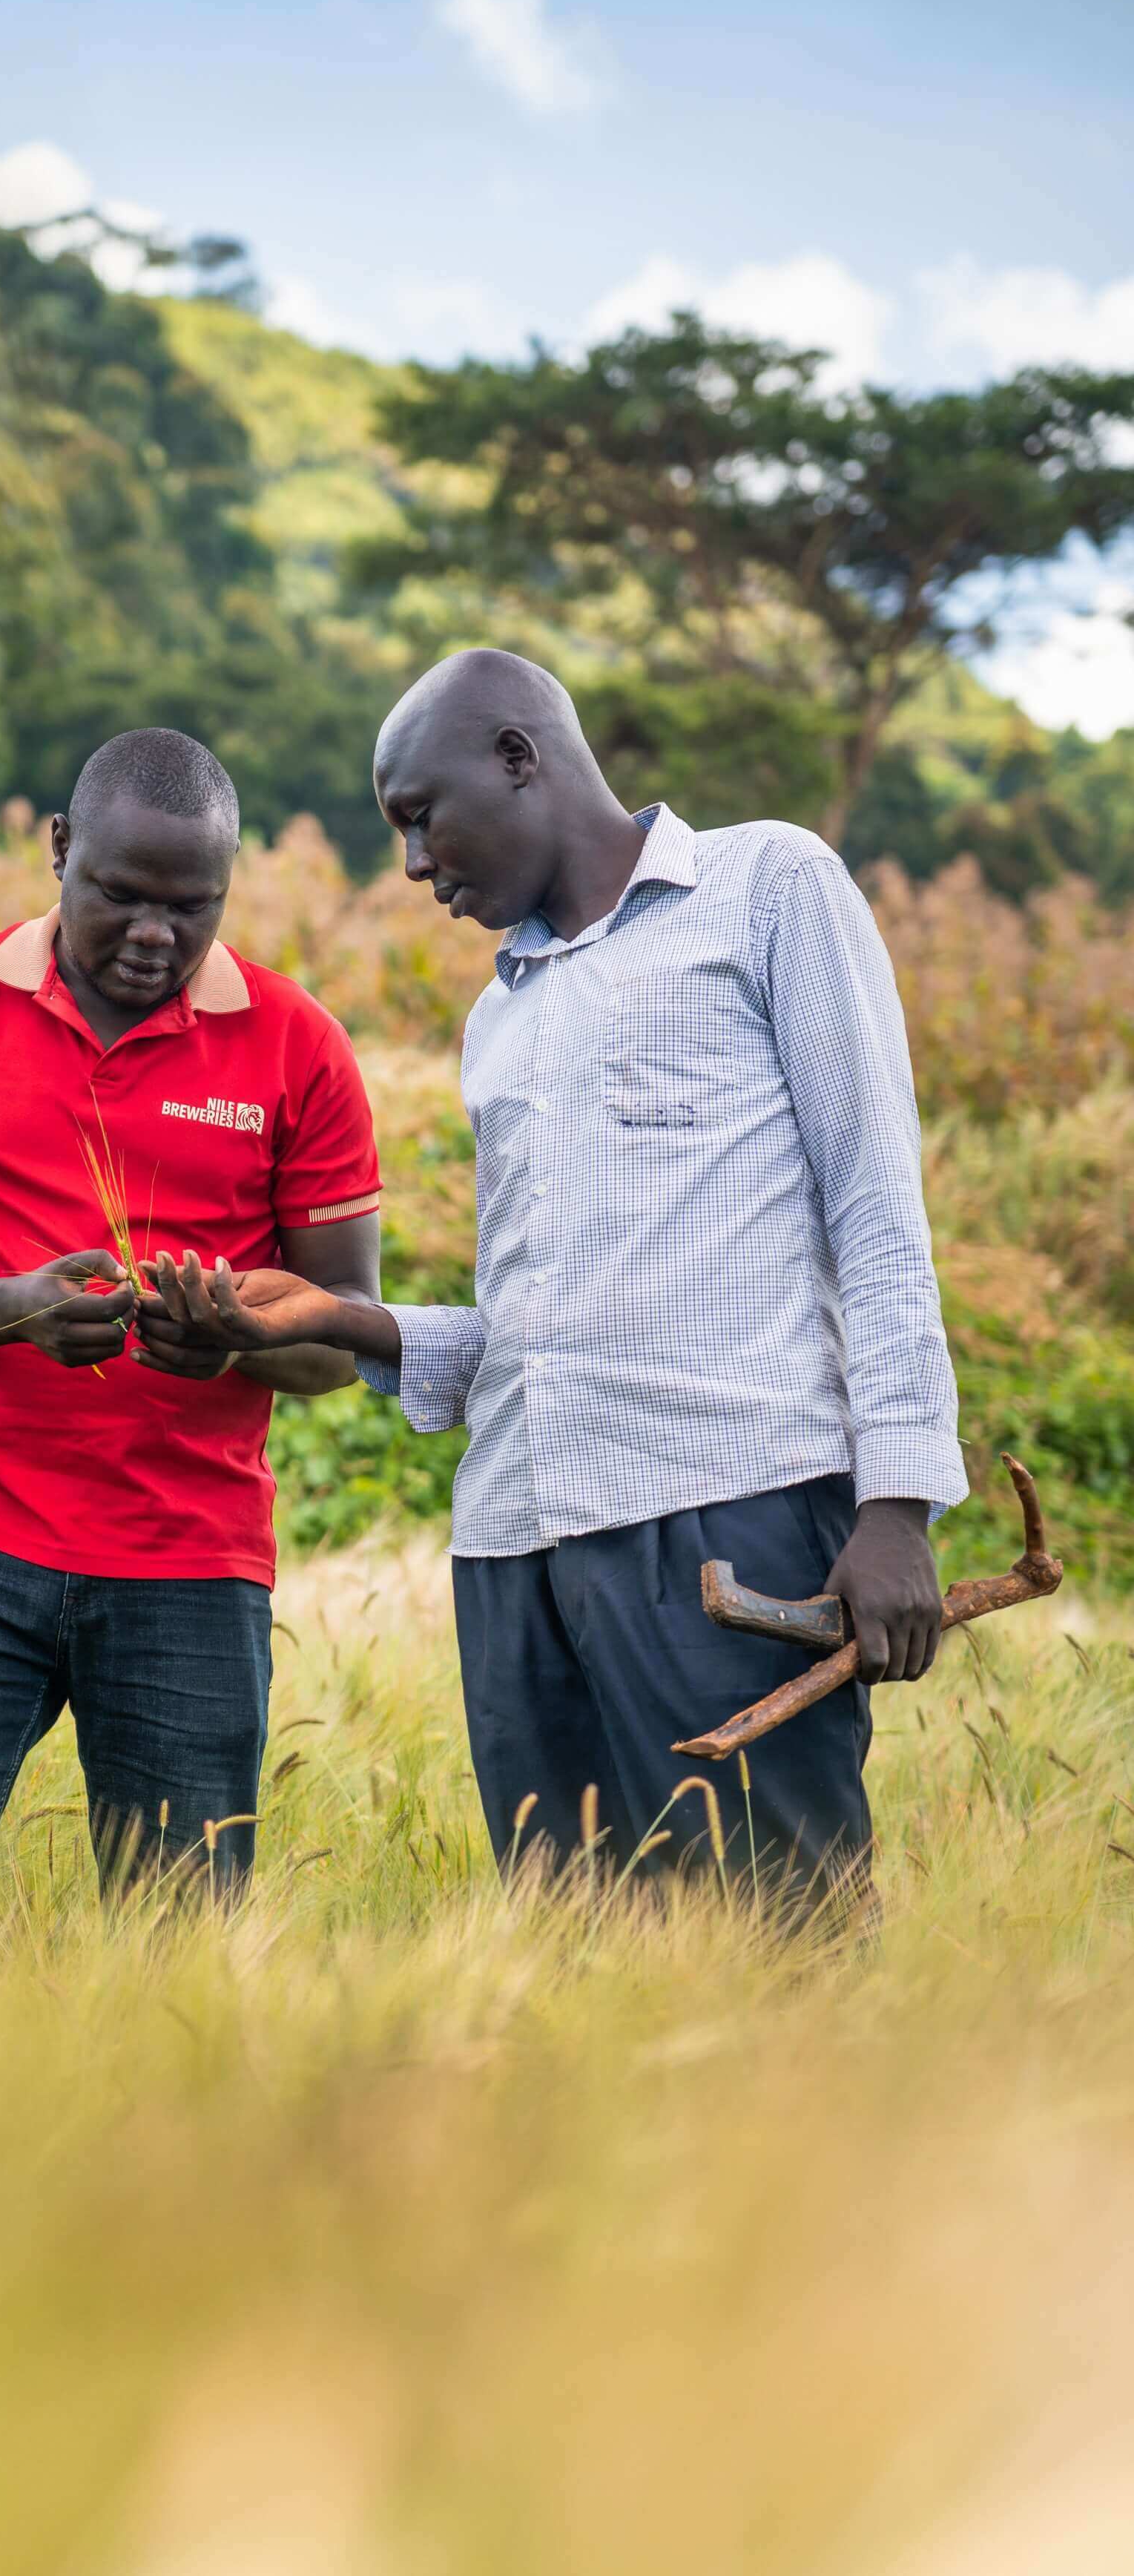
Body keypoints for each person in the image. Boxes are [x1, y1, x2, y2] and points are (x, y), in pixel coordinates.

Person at [148, 648, 959, 1905]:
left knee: (776, 1951)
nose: (414, 865)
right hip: (517, 1547)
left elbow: (876, 1205)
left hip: (721, 1524)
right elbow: (538, 1326)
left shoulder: (768, 886)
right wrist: (347, 1322)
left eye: (421, 818)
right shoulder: (502, 1014)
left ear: (519, 759)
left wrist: (899, 1502)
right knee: (572, 1972)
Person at [0, 729, 383, 1930]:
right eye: (121, 897)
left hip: (191, 1561)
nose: (154, 937)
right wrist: (12, 1310)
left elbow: (342, 1339)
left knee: (175, 1954)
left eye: (193, 909)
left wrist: (229, 1338)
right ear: (60, 849)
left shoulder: (300, 1047)